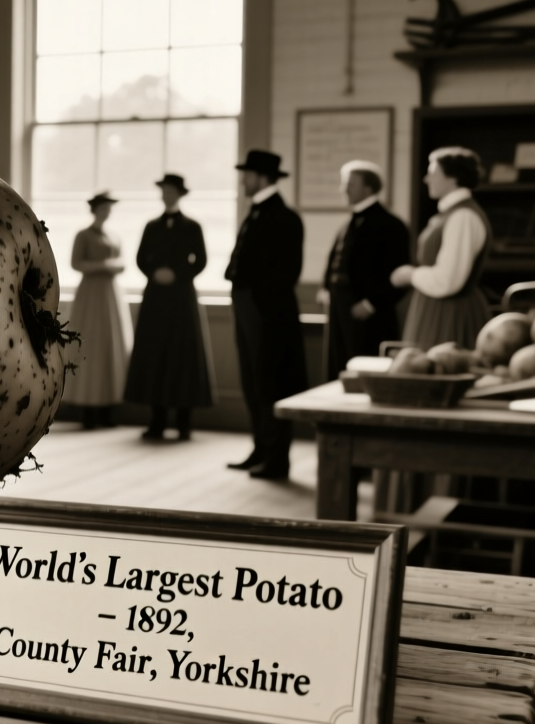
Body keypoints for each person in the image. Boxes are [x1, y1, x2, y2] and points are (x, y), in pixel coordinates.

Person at [224, 150, 307, 480]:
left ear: (260, 177)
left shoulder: (283, 216)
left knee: (271, 382)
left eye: (247, 174)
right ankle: (260, 448)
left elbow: (285, 273)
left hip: (267, 313)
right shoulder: (257, 212)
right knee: (252, 381)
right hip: (248, 306)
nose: (243, 180)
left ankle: (276, 458)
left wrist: (259, 307)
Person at [123, 174, 213, 441]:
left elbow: (201, 260)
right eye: (164, 191)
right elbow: (140, 258)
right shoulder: (151, 226)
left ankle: (184, 423)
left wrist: (177, 274)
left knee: (183, 355)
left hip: (182, 298)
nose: (167, 195)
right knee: (155, 354)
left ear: (179, 194)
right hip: (155, 298)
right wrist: (154, 273)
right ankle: (157, 420)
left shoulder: (193, 226)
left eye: (171, 191)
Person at [319, 160, 412, 379]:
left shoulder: (391, 225)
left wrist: (371, 303)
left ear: (368, 187)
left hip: (369, 315)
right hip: (339, 309)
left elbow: (399, 276)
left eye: (350, 184)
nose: (344, 190)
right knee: (338, 365)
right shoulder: (347, 225)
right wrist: (326, 288)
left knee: (364, 372)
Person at [391, 147, 491, 350]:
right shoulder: (449, 214)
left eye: (433, 173)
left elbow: (448, 280)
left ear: (452, 178)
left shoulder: (464, 216)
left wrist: (410, 275)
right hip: (433, 310)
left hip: (451, 314)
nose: (427, 179)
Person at [64, 191, 132, 429]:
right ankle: (87, 408)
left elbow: (123, 262)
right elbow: (76, 263)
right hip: (91, 294)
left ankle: (107, 407)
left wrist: (112, 266)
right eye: (103, 208)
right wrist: (103, 265)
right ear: (95, 210)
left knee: (109, 344)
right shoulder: (83, 235)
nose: (107, 212)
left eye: (109, 209)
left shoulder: (113, 236)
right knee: (90, 344)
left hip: (109, 294)